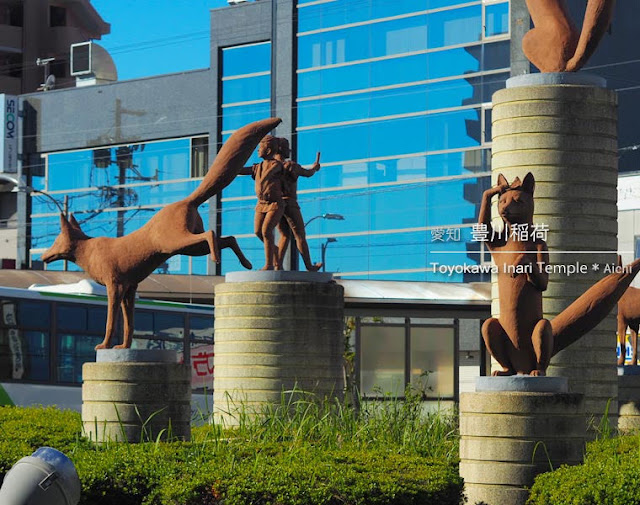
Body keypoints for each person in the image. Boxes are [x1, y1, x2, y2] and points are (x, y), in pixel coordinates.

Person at [274, 136, 322, 271]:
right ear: (281, 149)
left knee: (284, 235)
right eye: (287, 148)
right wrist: (315, 168)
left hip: (276, 205)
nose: (289, 150)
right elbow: (308, 173)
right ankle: (309, 266)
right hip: (290, 203)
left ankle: (278, 265)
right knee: (300, 235)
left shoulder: (270, 167)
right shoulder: (291, 166)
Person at [238, 135, 285, 270]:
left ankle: (269, 264)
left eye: (260, 148)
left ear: (269, 151)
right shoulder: (257, 167)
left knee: (266, 231)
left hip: (274, 204)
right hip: (261, 204)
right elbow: (240, 170)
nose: (257, 151)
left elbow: (268, 175)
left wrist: (262, 174)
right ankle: (274, 250)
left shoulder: (276, 164)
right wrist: (238, 158)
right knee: (258, 231)